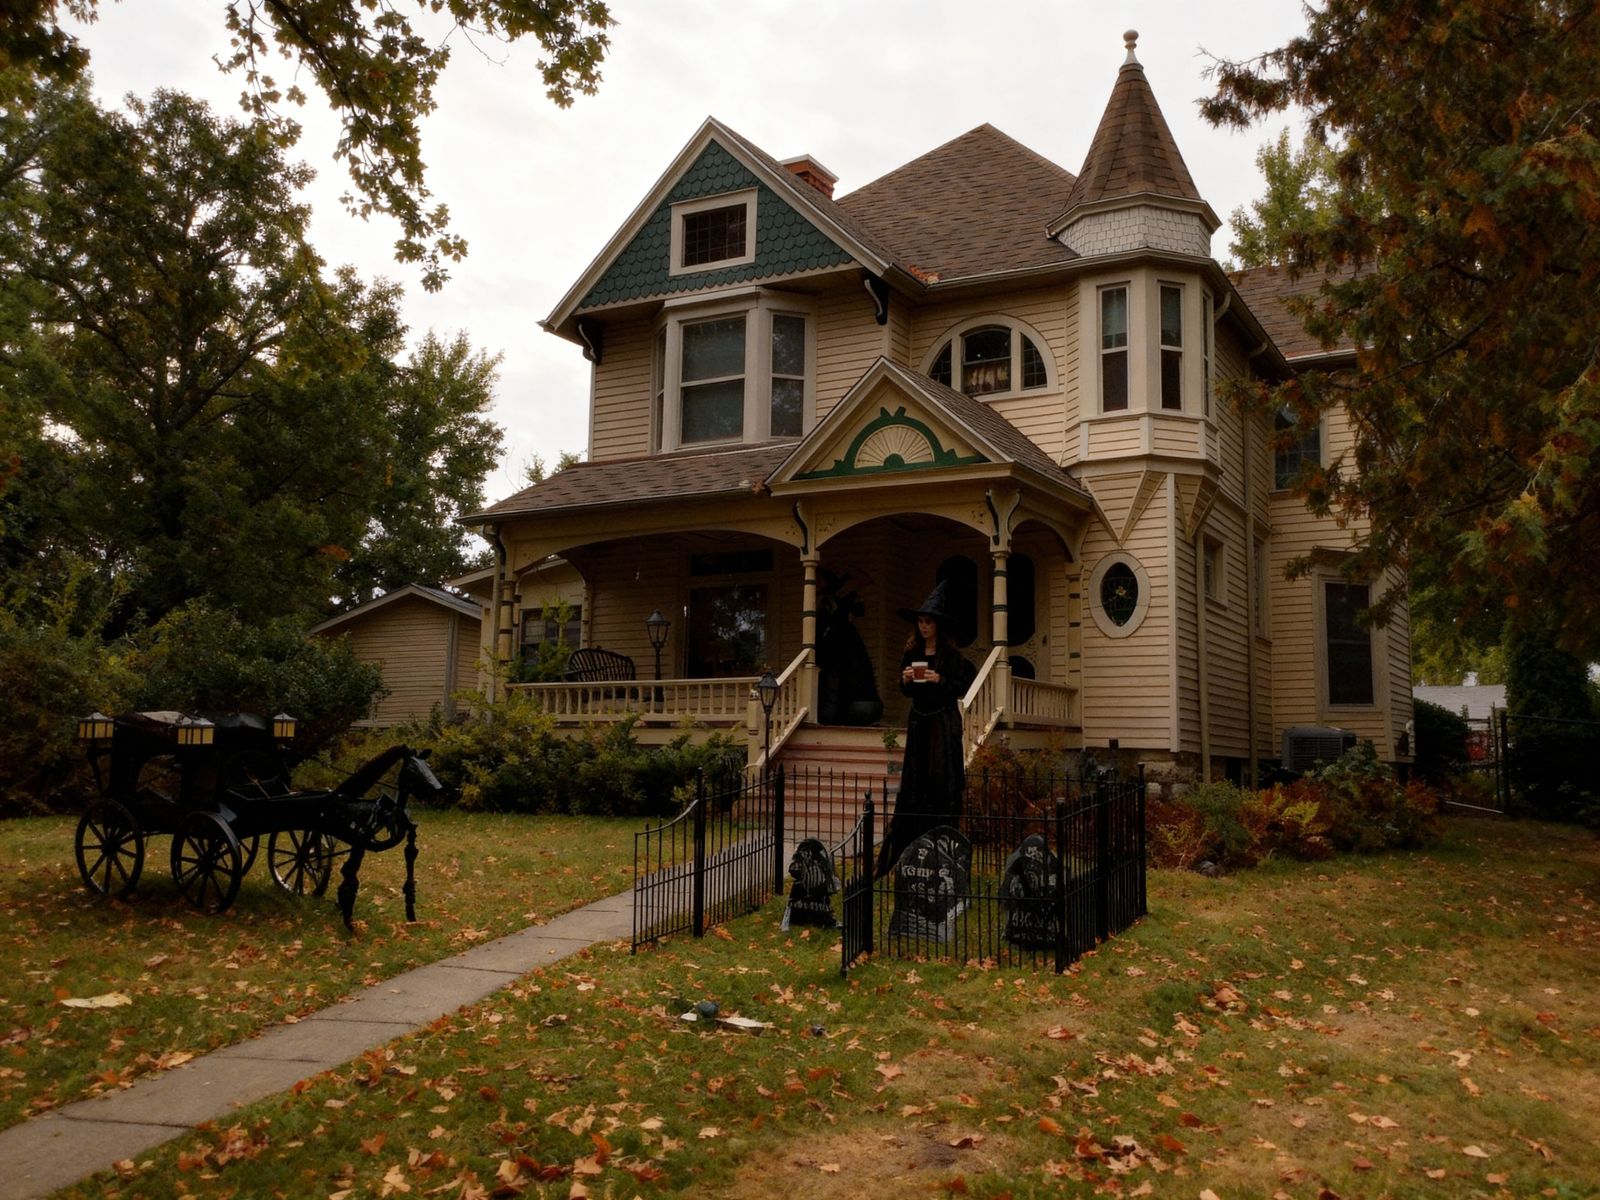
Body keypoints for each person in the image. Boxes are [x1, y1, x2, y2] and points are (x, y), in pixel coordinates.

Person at [875, 582, 974, 876]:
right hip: (919, 722)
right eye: (920, 621)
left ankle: (942, 848)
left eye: (928, 622)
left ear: (938, 625)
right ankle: (911, 848)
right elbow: (906, 693)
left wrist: (939, 680)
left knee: (940, 780)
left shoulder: (953, 658)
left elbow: (960, 687)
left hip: (941, 724)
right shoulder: (912, 653)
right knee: (915, 783)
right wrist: (905, 681)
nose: (923, 626)